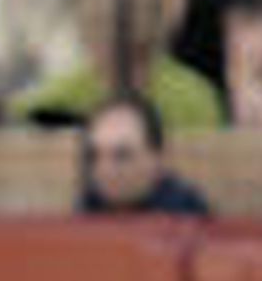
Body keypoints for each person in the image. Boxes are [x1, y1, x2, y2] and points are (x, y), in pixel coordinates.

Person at [78, 93, 211, 216]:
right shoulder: (89, 206)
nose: (104, 169)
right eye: (93, 156)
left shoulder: (185, 215)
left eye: (122, 155)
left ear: (158, 157)